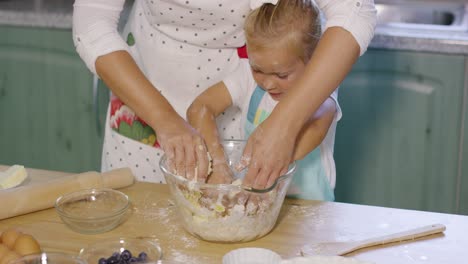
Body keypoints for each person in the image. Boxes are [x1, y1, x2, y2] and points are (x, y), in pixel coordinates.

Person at [72, 0, 376, 185]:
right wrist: (164, 119)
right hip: (145, 88)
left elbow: (354, 10)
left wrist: (284, 122)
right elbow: (91, 24)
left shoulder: (257, 77)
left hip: (240, 86)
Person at [187, 0, 338, 200]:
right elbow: (199, 108)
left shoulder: (322, 89)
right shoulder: (246, 78)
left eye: (281, 75)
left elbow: (317, 126)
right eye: (257, 69)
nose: (268, 83)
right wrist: (218, 164)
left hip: (310, 209)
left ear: (313, 61)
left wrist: (270, 159)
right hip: (254, 202)